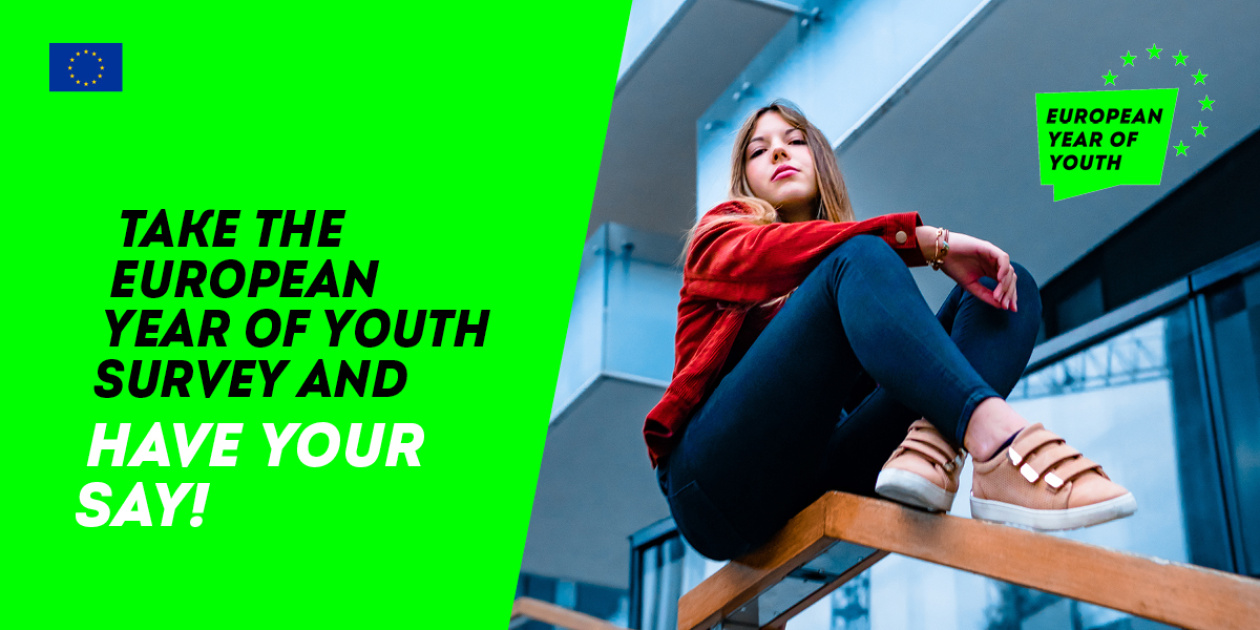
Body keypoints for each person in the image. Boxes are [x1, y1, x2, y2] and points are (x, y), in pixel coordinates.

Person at [646, 101, 1137, 561]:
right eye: (759, 150)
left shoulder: (856, 284)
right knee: (859, 255)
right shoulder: (720, 235)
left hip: (818, 478)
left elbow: (880, 388)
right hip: (716, 489)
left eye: (794, 141)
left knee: (1004, 288)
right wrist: (929, 243)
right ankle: (999, 444)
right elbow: (782, 255)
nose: (777, 150)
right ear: (745, 179)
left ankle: (935, 449)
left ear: (819, 160)